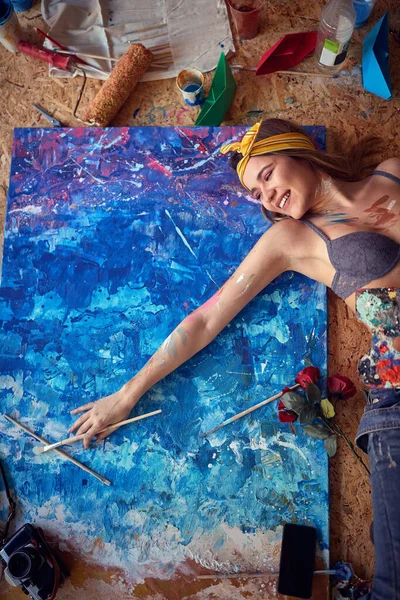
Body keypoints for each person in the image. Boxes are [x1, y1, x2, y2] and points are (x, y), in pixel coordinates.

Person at [69, 119, 400, 599]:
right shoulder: (291, 240)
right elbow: (204, 322)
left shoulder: (392, 174)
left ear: (297, 153)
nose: (265, 197)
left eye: (266, 175)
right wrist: (127, 394)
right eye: (256, 193)